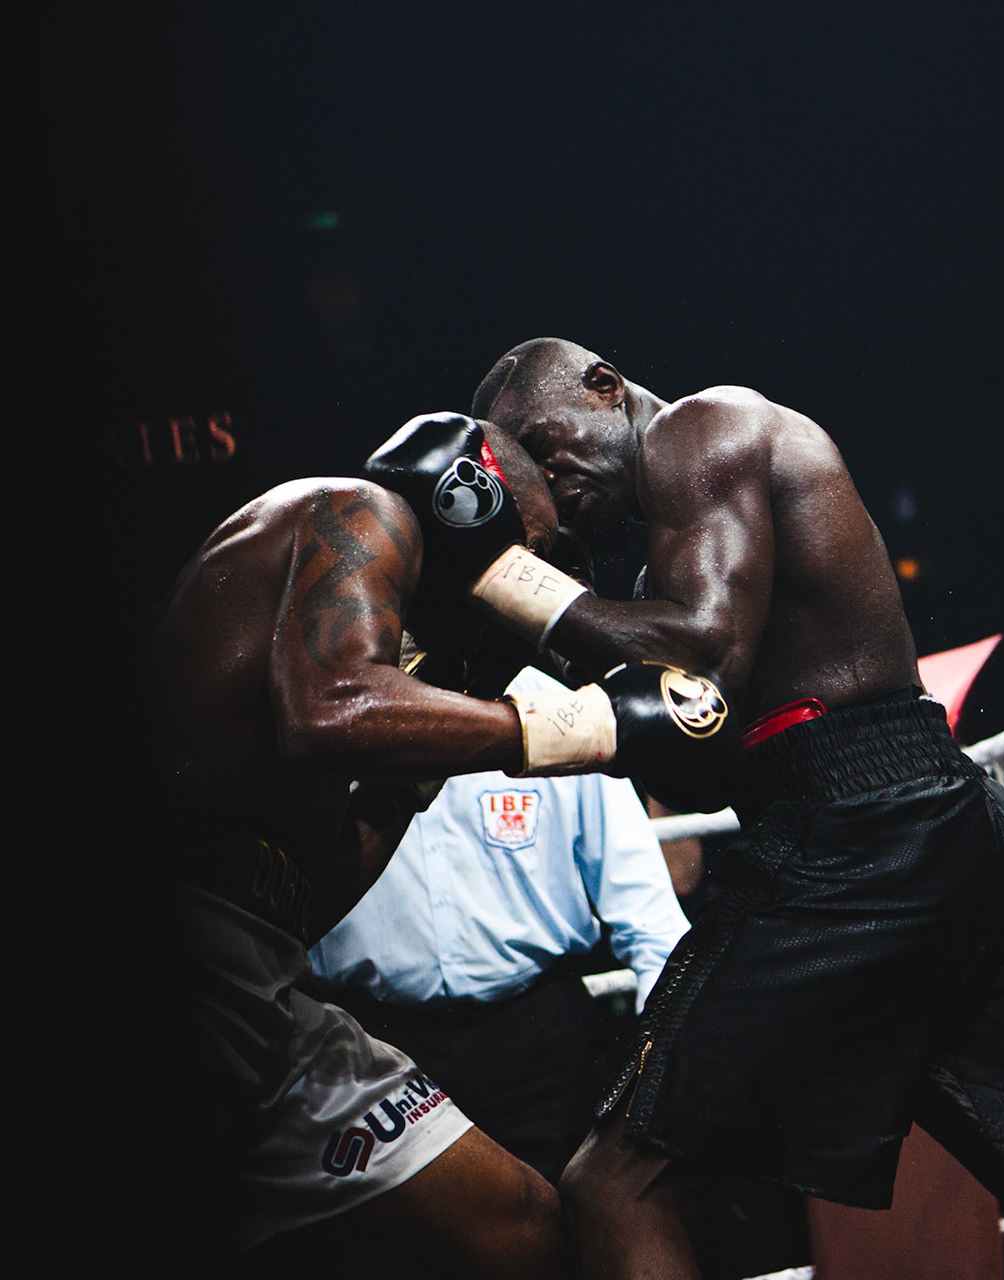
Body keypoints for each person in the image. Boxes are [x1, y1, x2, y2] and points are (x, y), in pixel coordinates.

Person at [467, 337, 1004, 1280]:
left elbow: (705, 651)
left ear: (604, 385)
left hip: (856, 836)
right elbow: (703, 756)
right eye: (523, 475)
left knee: (614, 1185)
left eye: (544, 445)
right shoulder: (655, 581)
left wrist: (501, 576)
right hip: (922, 830)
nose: (545, 479)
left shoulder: (701, 427)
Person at [135, 411, 733, 1277]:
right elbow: (328, 711)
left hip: (266, 978)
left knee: (521, 1224)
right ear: (475, 499)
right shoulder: (356, 512)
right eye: (531, 556)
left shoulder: (396, 672)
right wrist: (581, 725)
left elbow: (311, 903)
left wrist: (414, 779)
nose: (527, 596)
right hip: (169, 939)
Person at [309, 664, 690, 1184]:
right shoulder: (324, 711)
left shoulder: (560, 711)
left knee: (573, 1211)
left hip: (537, 1035)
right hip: (369, 1039)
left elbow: (648, 913)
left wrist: (661, 1060)